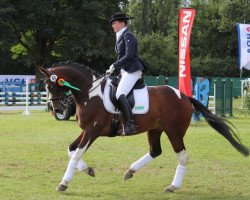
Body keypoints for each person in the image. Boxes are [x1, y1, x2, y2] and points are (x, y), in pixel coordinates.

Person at [106, 13, 146, 135]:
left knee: (119, 94)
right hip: (124, 71)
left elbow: (129, 56)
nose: (112, 25)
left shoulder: (128, 36)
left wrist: (114, 65)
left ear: (122, 23)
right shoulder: (121, 36)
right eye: (112, 23)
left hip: (132, 70)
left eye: (114, 23)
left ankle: (130, 124)